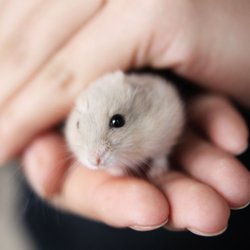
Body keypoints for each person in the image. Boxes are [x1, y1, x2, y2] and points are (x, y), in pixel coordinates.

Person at [0, 0, 249, 238]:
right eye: (78, 125)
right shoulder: (83, 107)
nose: (94, 157)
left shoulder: (154, 105)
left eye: (116, 123)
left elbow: (169, 107)